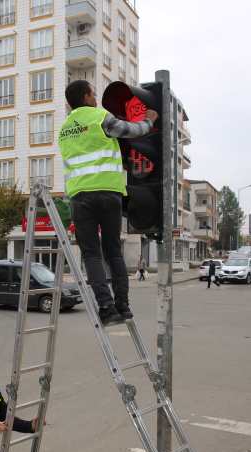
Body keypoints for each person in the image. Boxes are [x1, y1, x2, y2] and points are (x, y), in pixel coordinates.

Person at [59, 80, 158, 326]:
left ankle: (106, 308)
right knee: (113, 250)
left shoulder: (64, 130)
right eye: (93, 93)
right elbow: (132, 131)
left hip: (80, 197)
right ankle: (123, 306)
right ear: (86, 96)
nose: (96, 97)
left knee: (91, 255)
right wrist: (149, 120)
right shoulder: (99, 117)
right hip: (109, 192)